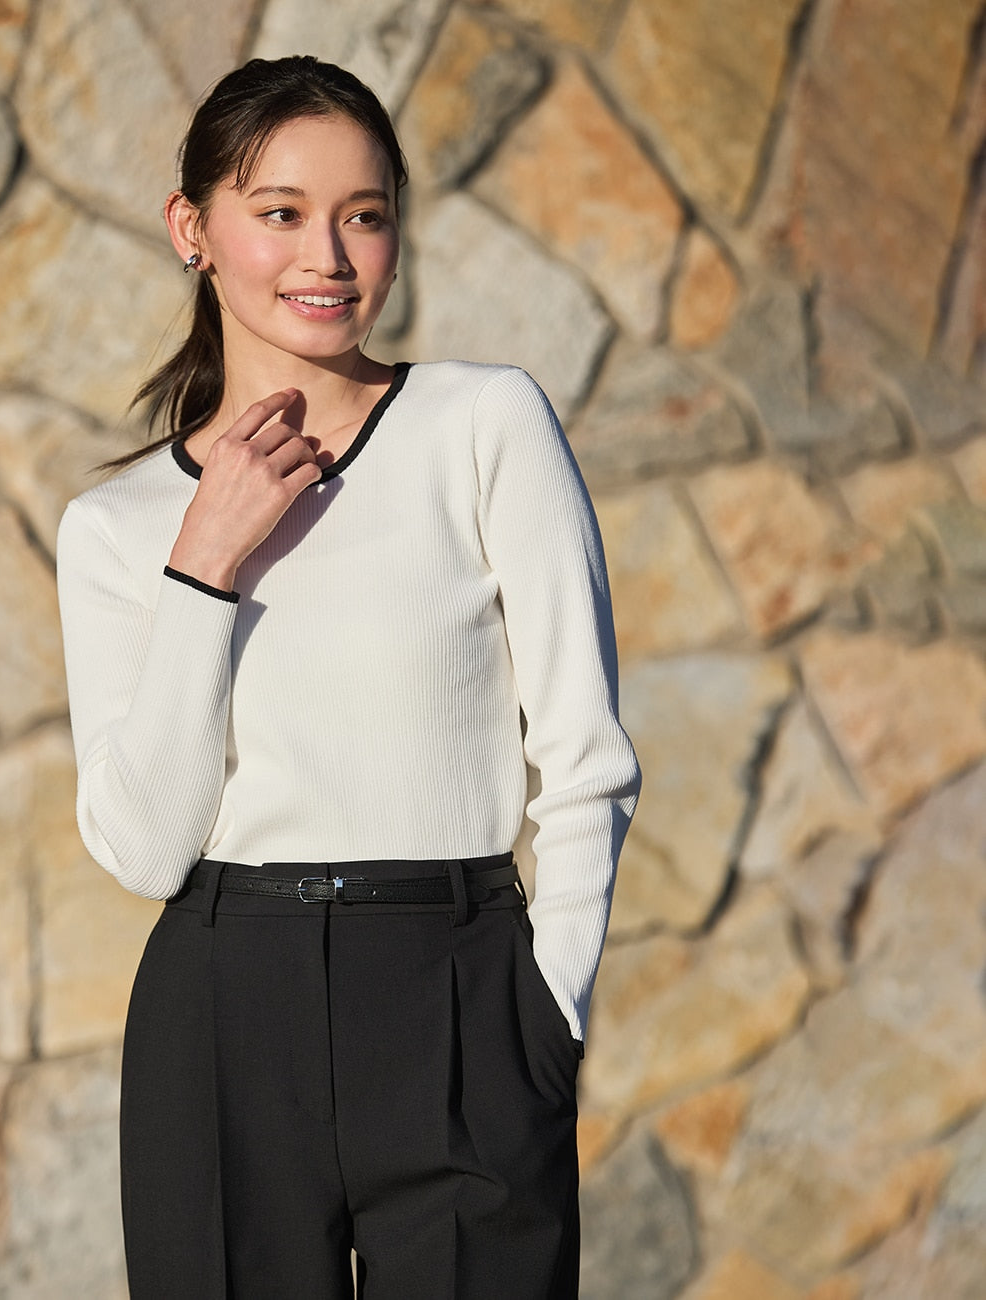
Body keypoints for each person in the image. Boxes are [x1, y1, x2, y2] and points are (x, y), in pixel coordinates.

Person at [56, 54, 641, 1300]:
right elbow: (145, 849)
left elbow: (585, 755)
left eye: (363, 216)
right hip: (222, 1012)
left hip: (462, 993)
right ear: (192, 230)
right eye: (279, 212)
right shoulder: (114, 528)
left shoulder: (482, 426)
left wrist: (550, 1016)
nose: (326, 256)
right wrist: (203, 563)